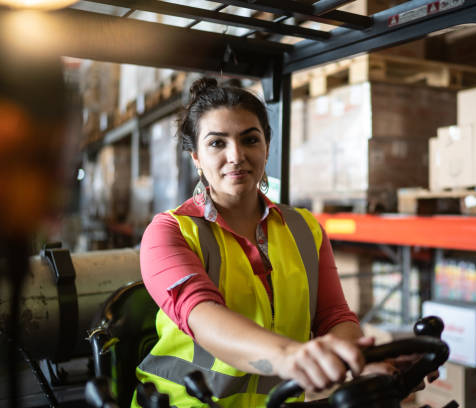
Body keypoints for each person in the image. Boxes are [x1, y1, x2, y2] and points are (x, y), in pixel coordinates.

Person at [134, 77, 432, 407]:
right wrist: (292, 356)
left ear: (266, 146)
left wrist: (358, 361)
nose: (236, 155)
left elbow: (334, 317)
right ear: (196, 158)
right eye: (217, 143)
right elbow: (204, 318)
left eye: (250, 140)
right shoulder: (169, 233)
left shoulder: (304, 228)